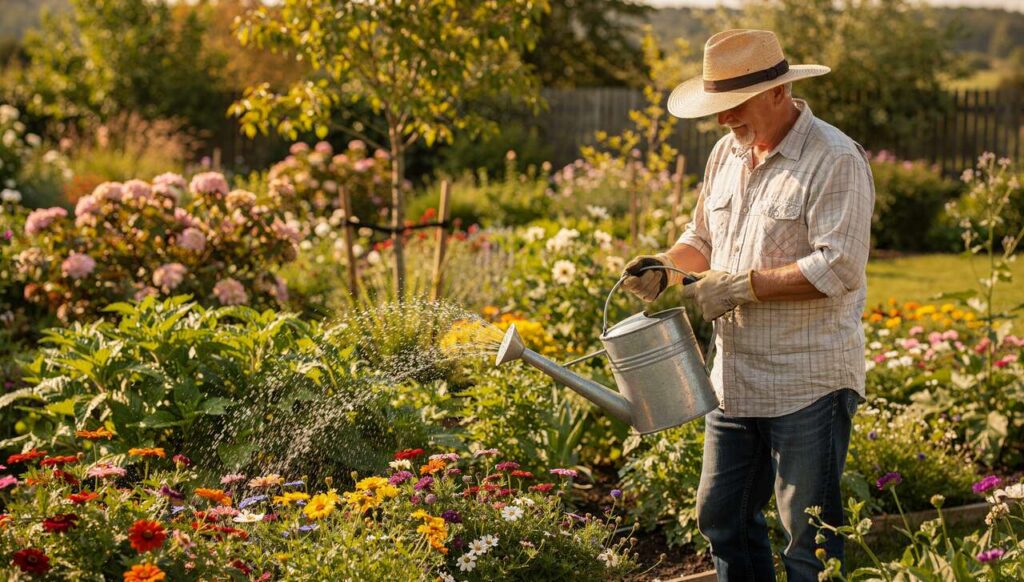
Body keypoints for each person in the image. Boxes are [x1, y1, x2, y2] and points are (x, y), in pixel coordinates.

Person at [620, 29, 875, 581]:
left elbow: (839, 266)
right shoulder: (727, 153)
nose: (720, 121)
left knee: (810, 540)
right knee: (723, 519)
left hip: (808, 381)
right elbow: (703, 237)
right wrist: (666, 267)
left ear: (778, 92)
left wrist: (739, 287)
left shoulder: (834, 158)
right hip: (733, 381)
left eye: (732, 106)